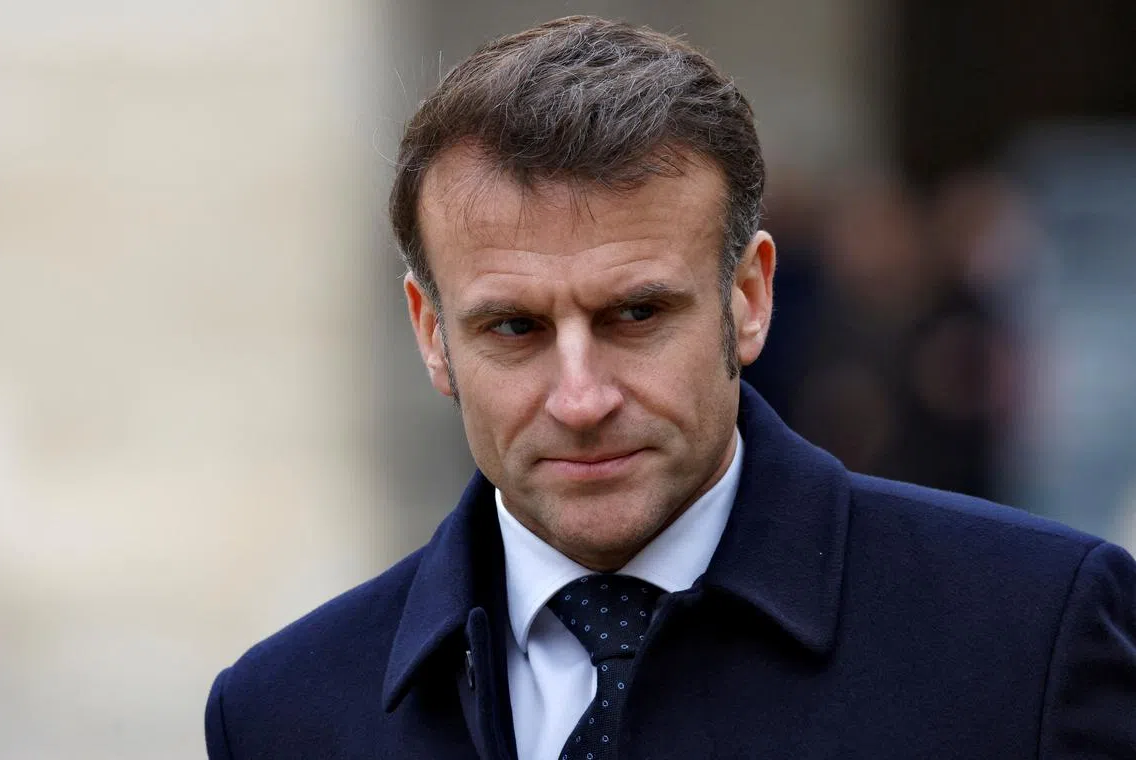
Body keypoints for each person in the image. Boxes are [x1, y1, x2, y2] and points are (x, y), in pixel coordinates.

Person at [204, 16, 1136, 760]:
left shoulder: (1030, 636)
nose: (581, 399)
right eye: (515, 328)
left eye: (636, 314)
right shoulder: (281, 713)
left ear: (749, 298)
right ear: (431, 334)